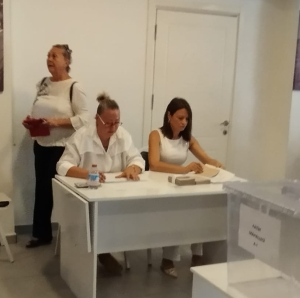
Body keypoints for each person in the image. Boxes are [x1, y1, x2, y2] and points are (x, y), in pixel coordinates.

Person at [57, 93, 144, 272]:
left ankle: (106, 249)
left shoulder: (123, 135)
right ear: (97, 119)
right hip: (86, 196)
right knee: (94, 216)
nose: (113, 128)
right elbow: (62, 166)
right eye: (108, 123)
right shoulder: (81, 136)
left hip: (115, 195)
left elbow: (137, 158)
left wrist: (133, 168)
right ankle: (101, 253)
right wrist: (87, 174)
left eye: (117, 122)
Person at [148, 98, 224, 277]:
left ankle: (197, 254)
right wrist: (184, 169)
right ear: (169, 116)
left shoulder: (187, 138)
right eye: (180, 118)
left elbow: (206, 159)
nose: (184, 122)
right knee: (175, 213)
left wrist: (216, 164)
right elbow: (154, 164)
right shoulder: (156, 135)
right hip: (159, 187)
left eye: (187, 119)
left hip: (180, 185)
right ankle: (168, 259)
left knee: (198, 209)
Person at [22, 44, 88, 248]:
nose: (49, 59)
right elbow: (38, 108)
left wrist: (57, 122)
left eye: (54, 56)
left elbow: (84, 118)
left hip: (62, 148)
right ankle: (41, 234)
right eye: (48, 55)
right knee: (41, 190)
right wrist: (31, 121)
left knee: (61, 193)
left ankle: (72, 236)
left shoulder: (74, 87)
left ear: (66, 61)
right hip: (41, 143)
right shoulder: (43, 83)